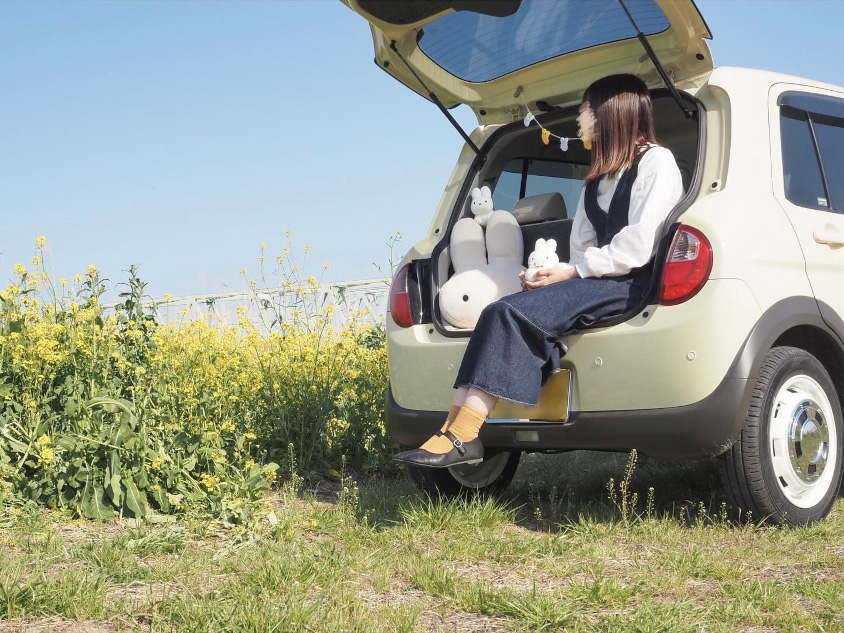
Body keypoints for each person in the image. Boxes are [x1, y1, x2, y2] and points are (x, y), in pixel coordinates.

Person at [394, 73, 684, 469]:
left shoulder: (657, 163)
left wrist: (573, 274)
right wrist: (553, 273)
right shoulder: (596, 179)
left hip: (631, 284)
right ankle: (452, 429)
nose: (580, 118)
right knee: (499, 310)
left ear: (610, 113)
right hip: (596, 281)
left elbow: (638, 246)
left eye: (585, 109)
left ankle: (462, 434)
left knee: (507, 312)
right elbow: (580, 247)